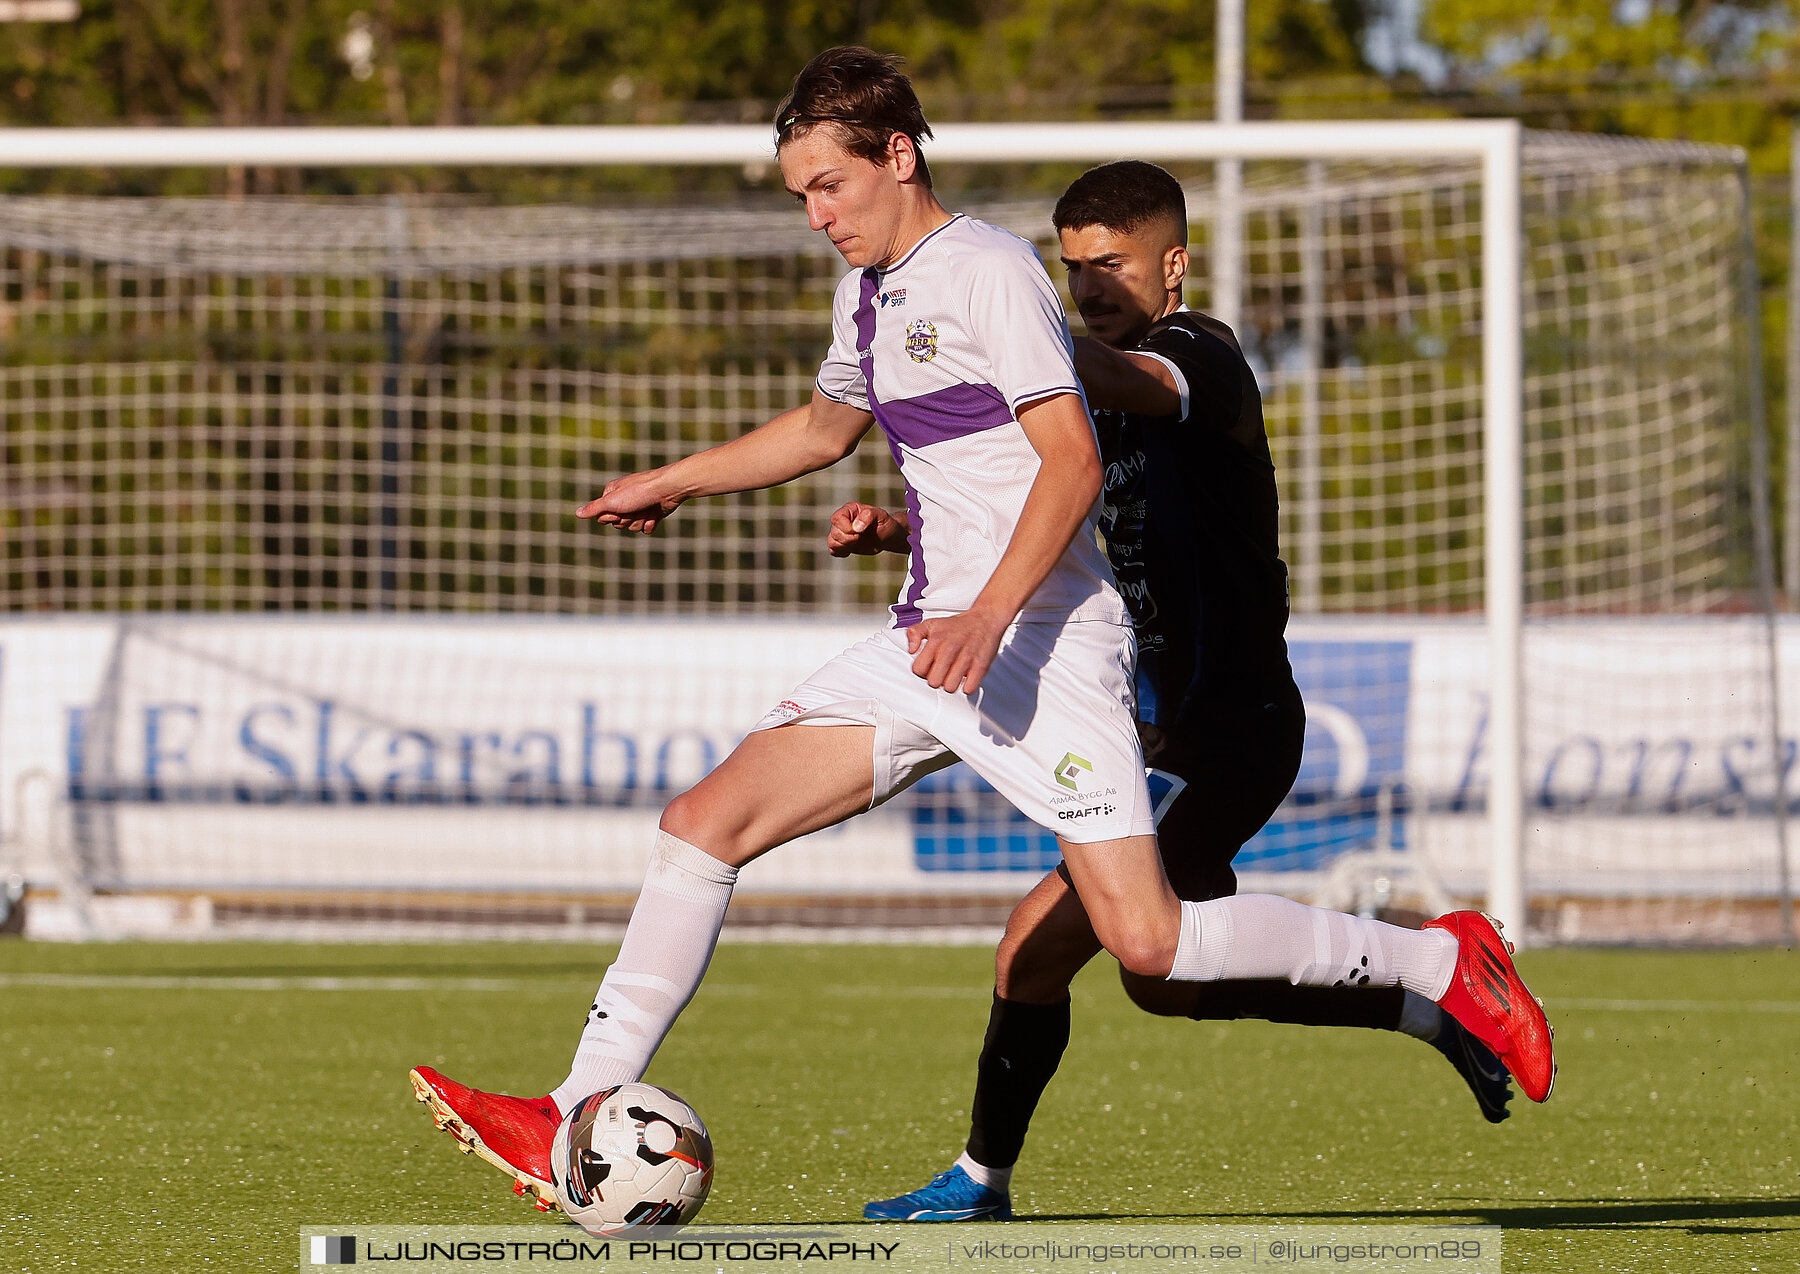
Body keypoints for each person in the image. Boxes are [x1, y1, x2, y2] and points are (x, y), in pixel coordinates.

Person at [408, 48, 1555, 1215]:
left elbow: (1073, 460)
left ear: (897, 154)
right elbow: (821, 429)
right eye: (801, 193)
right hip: (929, 647)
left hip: (1049, 649)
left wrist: (989, 607)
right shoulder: (867, 291)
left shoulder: (999, 274)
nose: (817, 215)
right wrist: (674, 480)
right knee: (704, 823)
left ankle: (1439, 962)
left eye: (830, 187)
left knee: (1151, 947)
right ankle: (578, 1099)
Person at [845, 162, 1518, 1223]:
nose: (1086, 284)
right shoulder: (1086, 397)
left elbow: (1126, 380)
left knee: (1045, 945)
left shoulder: (1200, 355)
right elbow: (1049, 504)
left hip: (1233, 723)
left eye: (1107, 263)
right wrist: (900, 529)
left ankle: (982, 1180)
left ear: (1174, 263)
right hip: (1163, 724)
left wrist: (990, 320)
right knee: (1159, 976)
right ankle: (1431, 1006)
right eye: (1069, 270)